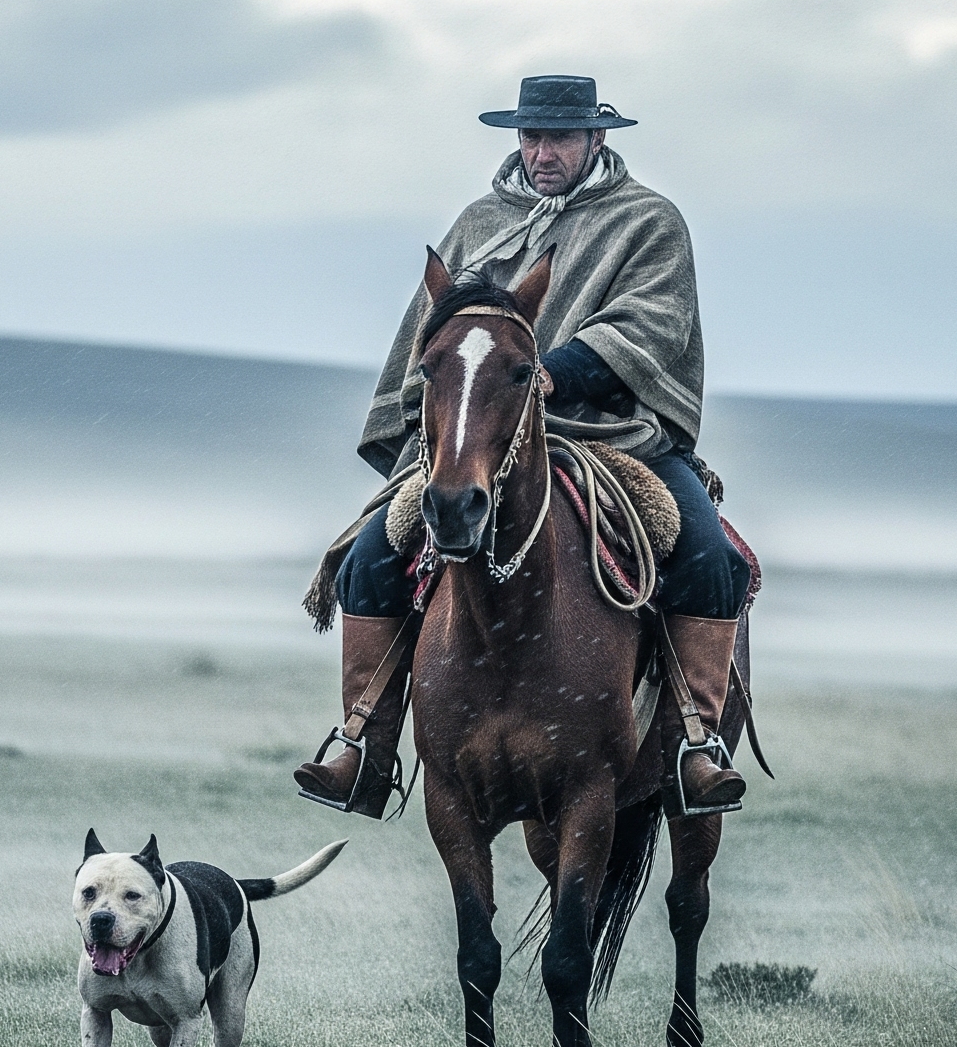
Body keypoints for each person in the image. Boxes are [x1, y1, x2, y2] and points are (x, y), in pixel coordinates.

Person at [296, 73, 751, 819]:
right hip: (484, 440)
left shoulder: (647, 222)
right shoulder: (481, 223)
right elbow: (435, 335)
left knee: (711, 557)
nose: (543, 152)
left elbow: (651, 327)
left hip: (614, 437)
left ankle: (695, 744)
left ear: (596, 138)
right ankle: (361, 744)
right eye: (531, 137)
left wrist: (546, 375)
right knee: (369, 554)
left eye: (560, 137)